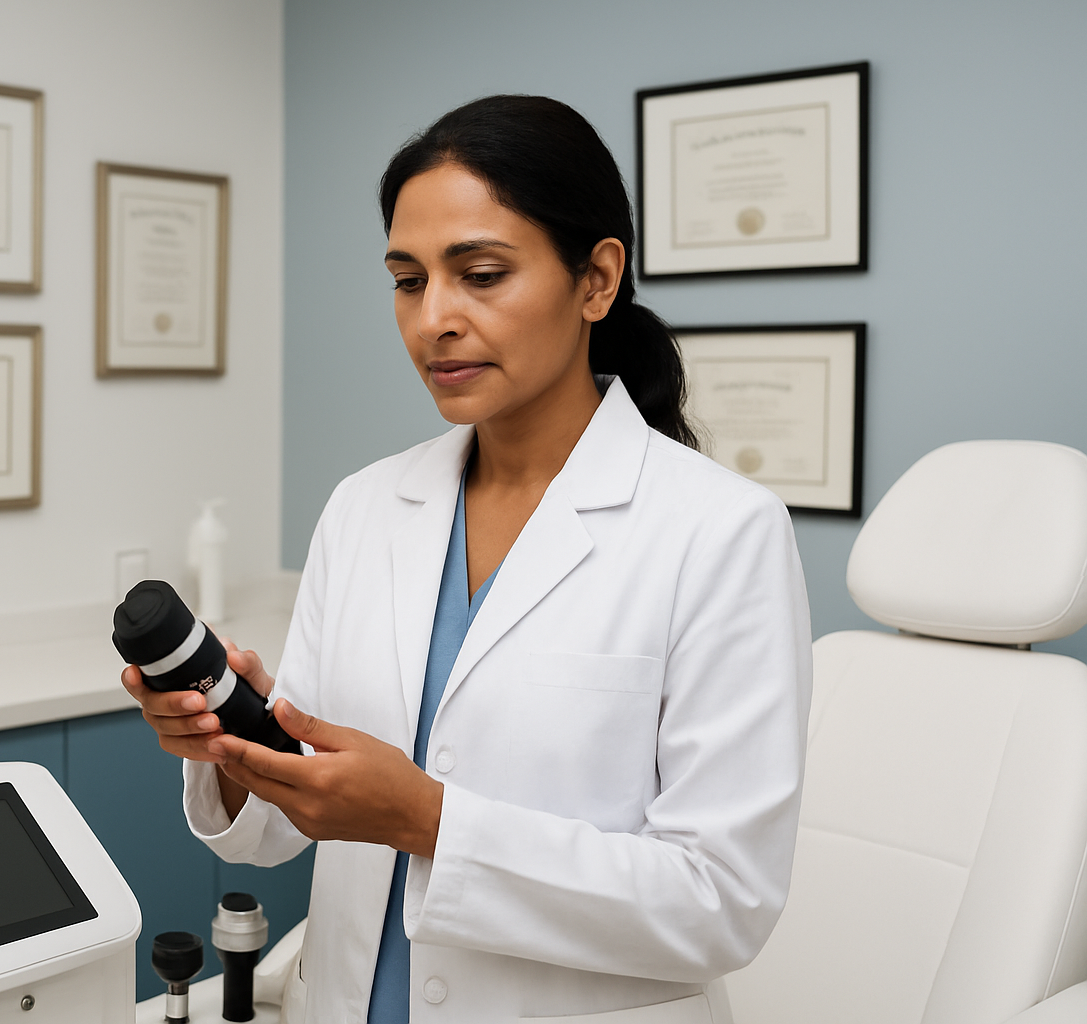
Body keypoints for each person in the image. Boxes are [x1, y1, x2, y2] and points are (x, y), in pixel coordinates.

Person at [122, 95, 811, 1024]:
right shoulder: (365, 508)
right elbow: (284, 829)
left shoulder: (720, 531)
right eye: (408, 281)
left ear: (597, 280)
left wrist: (428, 820)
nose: (433, 319)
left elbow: (721, 905)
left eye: (481, 275)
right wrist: (240, 749)